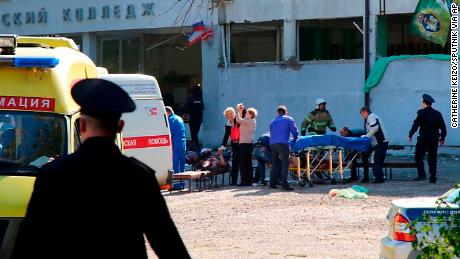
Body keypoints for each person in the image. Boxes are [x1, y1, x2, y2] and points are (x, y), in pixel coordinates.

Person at [12, 79, 190, 259]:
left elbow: (27, 244)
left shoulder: (53, 175)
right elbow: (168, 244)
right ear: (120, 128)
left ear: (81, 125)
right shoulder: (139, 176)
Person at [408, 94, 447, 184]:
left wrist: (410, 134)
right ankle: (432, 177)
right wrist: (442, 138)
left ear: (424, 103)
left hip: (423, 139)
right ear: (431, 104)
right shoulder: (437, 114)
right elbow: (443, 127)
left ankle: (422, 175)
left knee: (418, 157)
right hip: (434, 139)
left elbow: (416, 125)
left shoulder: (421, 113)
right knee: (432, 158)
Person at [269, 106, 298, 191]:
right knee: (285, 163)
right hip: (283, 143)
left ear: (277, 113)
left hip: (272, 144)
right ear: (286, 112)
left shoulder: (273, 121)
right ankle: (284, 184)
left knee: (274, 163)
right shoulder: (289, 119)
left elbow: (271, 132)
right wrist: (295, 138)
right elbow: (294, 131)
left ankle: (272, 183)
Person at [360, 107, 389, 184]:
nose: (362, 116)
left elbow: (375, 127)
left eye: (362, 114)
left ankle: (378, 178)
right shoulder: (372, 117)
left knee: (376, 160)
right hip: (381, 142)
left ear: (365, 112)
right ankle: (379, 177)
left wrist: (367, 135)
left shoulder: (371, 117)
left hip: (380, 142)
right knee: (378, 160)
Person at [221, 107, 245, 185]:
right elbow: (226, 136)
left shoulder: (238, 121)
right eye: (228, 114)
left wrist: (241, 109)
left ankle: (243, 181)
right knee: (234, 163)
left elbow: (243, 115)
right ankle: (234, 181)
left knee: (242, 163)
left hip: (242, 144)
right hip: (234, 145)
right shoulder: (227, 124)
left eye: (231, 114)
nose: (230, 116)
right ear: (226, 116)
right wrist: (222, 146)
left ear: (234, 114)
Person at [235, 103, 257, 186]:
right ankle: (249, 180)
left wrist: (237, 110)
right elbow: (241, 119)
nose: (246, 113)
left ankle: (244, 181)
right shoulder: (250, 120)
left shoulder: (249, 121)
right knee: (248, 162)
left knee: (243, 163)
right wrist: (241, 111)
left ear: (251, 115)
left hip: (244, 143)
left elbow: (238, 120)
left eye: (247, 112)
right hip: (248, 143)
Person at [182, 84, 204, 151]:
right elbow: (202, 108)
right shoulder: (200, 99)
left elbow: (186, 108)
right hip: (199, 118)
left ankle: (195, 147)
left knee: (193, 134)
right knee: (195, 133)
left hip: (192, 118)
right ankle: (196, 147)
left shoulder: (190, 98)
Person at [166, 106, 186, 173]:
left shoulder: (172, 119)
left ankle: (177, 181)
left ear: (167, 112)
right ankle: (182, 181)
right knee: (182, 161)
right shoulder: (179, 118)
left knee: (175, 163)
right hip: (182, 142)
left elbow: (169, 132)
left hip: (176, 143)